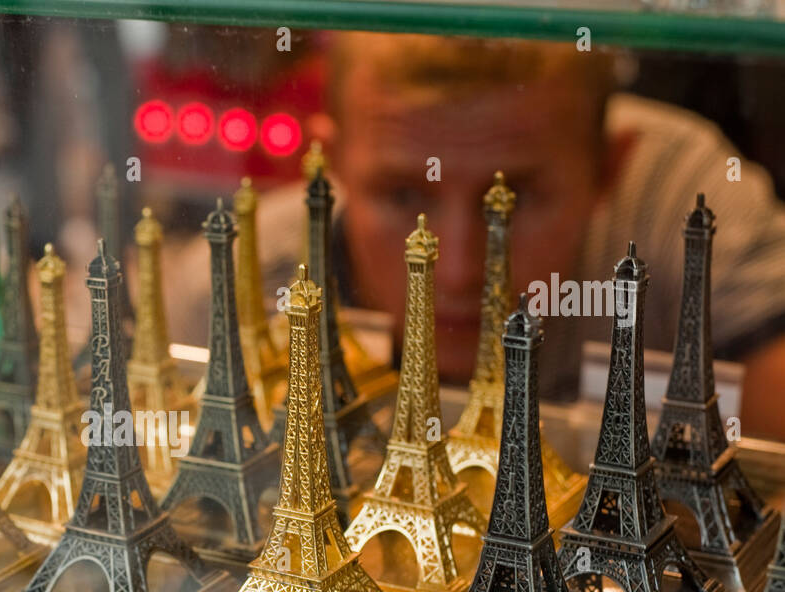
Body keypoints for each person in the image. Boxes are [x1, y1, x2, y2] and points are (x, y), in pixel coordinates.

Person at [227, 32, 785, 440]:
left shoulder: (685, 200)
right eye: (403, 195)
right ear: (331, 164)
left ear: (609, 169)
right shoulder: (248, 269)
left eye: (513, 200)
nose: (458, 271)